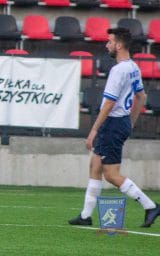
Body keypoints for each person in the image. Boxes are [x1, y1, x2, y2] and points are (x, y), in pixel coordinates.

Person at [69, 27, 160, 228]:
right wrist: (131, 122)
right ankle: (85, 216)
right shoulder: (133, 67)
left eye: (110, 42)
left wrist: (93, 130)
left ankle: (150, 205)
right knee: (95, 165)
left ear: (119, 45)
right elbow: (141, 96)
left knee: (111, 174)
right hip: (120, 122)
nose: (107, 45)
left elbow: (109, 104)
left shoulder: (118, 70)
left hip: (112, 124)